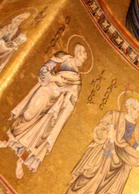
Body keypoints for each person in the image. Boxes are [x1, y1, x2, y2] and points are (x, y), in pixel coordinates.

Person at [50, 97, 139, 194]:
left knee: (103, 190)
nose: (135, 112)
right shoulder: (114, 116)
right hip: (103, 154)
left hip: (118, 164)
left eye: (138, 112)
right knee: (90, 177)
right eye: (134, 108)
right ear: (128, 106)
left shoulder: (138, 132)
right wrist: (108, 133)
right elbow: (99, 129)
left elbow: (137, 153)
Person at [0, 44, 87, 179]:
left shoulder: (77, 79)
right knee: (28, 114)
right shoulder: (62, 57)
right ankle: (7, 141)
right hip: (46, 90)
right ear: (77, 52)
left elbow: (73, 99)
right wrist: (53, 78)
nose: (85, 57)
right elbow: (45, 68)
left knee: (39, 132)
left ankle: (21, 160)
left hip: (54, 105)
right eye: (84, 53)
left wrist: (67, 99)